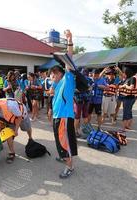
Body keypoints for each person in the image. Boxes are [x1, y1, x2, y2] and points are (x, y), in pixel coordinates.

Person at [50, 29, 77, 178]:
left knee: (64, 142)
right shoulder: (57, 86)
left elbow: (69, 60)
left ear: (60, 74)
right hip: (57, 117)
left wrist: (69, 40)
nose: (51, 77)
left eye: (53, 75)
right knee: (60, 141)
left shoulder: (67, 80)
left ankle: (70, 166)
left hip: (64, 118)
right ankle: (63, 156)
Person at [0, 98, 33, 163]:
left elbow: (19, 117)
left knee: (27, 128)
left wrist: (16, 130)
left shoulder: (11, 106)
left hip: (21, 114)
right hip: (9, 118)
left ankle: (30, 138)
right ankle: (12, 152)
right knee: (8, 134)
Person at [74, 68, 91, 137]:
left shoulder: (76, 79)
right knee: (85, 116)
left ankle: (76, 131)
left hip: (78, 100)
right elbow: (90, 88)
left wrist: (80, 90)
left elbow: (73, 89)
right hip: (86, 99)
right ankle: (86, 132)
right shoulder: (89, 79)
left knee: (77, 117)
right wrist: (84, 90)